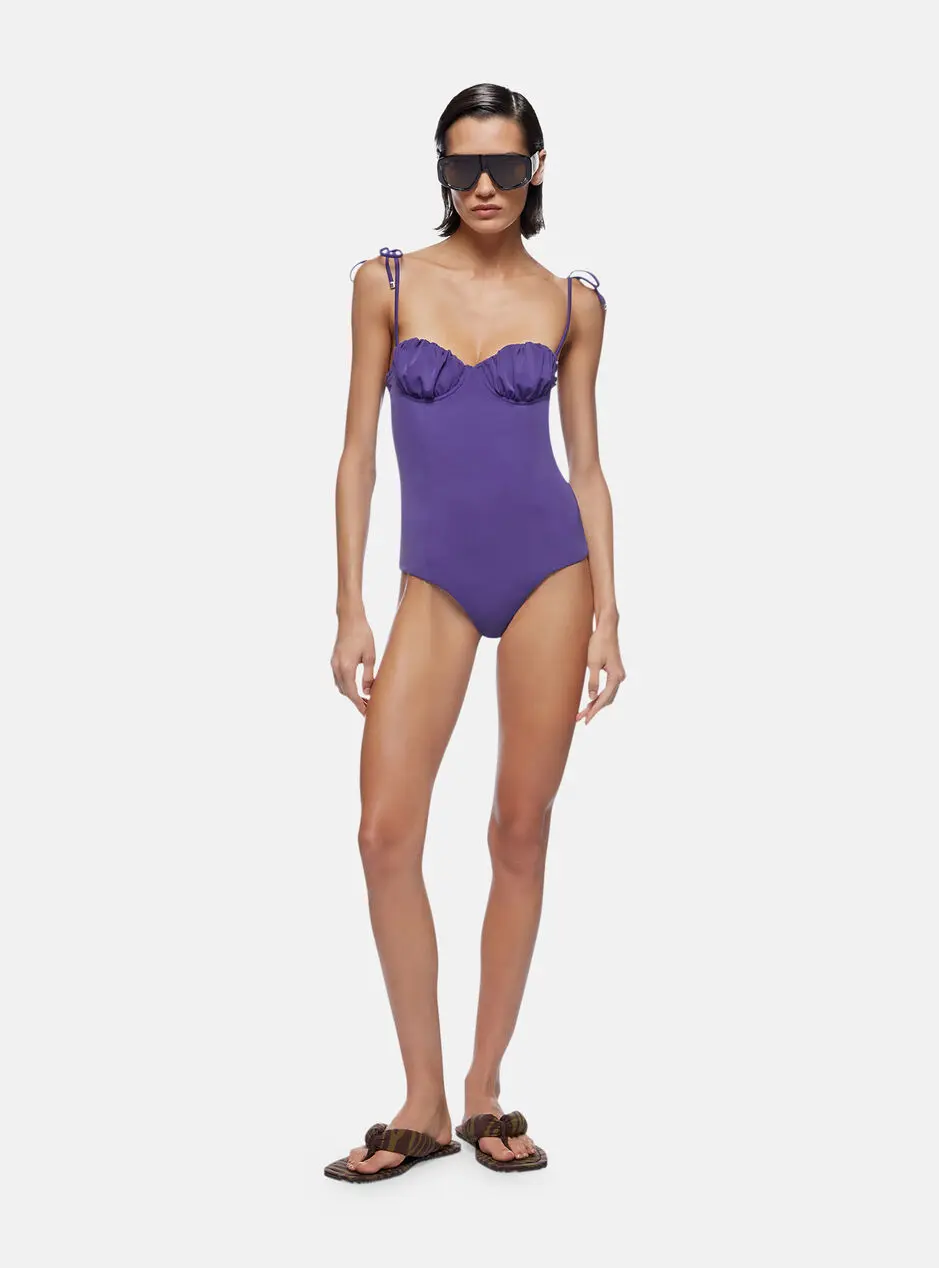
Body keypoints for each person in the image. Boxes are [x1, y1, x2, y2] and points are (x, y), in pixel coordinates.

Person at [325, 83, 626, 1183]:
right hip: (433, 579)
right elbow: (357, 452)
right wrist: (349, 605)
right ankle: (420, 1097)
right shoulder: (386, 282)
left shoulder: (572, 302)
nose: (484, 186)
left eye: (502, 166)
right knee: (383, 831)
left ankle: (484, 1088)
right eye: (463, 168)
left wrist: (609, 613)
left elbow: (586, 466)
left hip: (552, 570)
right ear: (441, 170)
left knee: (519, 828)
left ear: (536, 168)